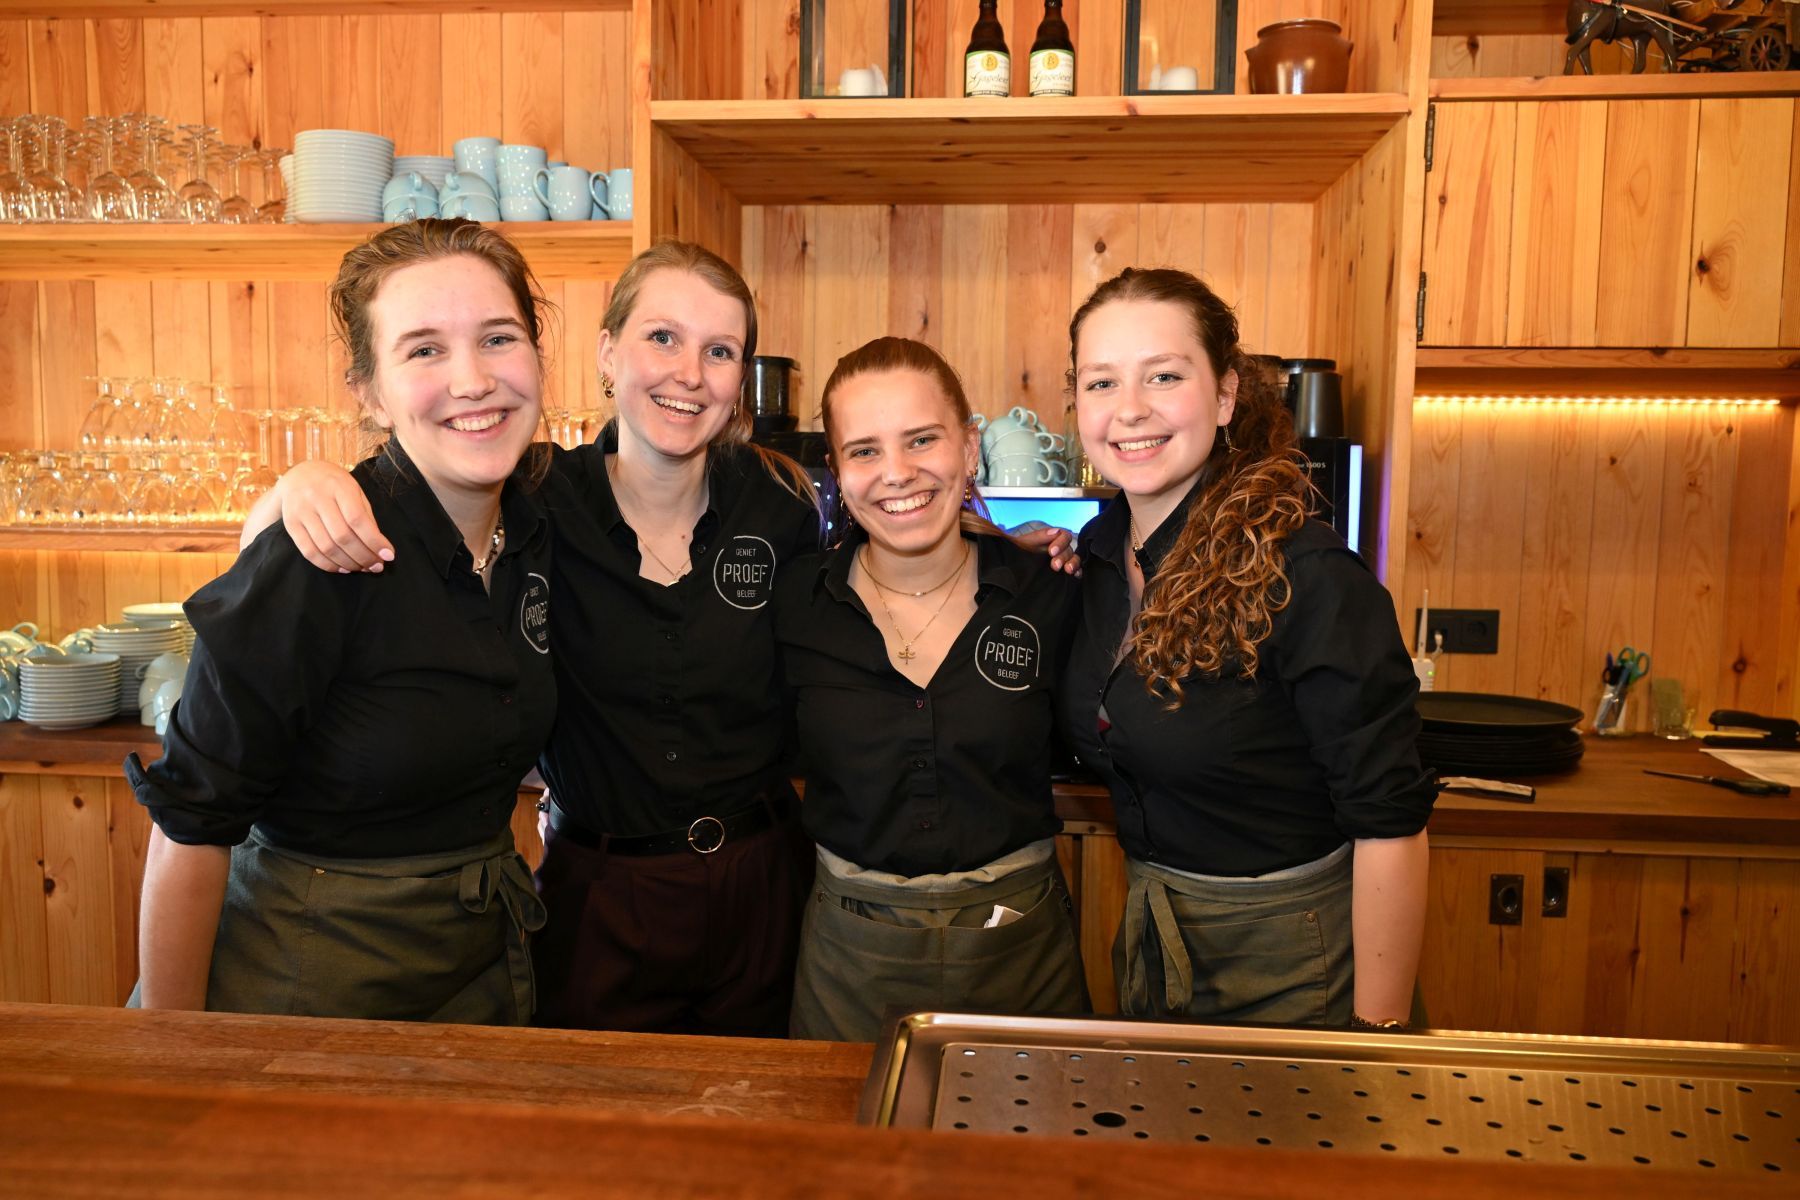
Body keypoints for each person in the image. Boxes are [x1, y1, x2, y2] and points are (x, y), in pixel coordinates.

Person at [253, 241, 823, 1036]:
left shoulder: (781, 507)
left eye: (719, 351)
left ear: (740, 381)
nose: (689, 373)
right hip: (600, 893)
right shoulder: (534, 495)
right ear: (607, 353)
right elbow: (400, 499)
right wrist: (300, 483)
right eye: (662, 337)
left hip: (762, 885)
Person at [128, 218, 557, 1021]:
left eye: (498, 339)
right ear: (368, 390)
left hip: (478, 971)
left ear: (537, 355)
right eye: (423, 350)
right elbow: (191, 822)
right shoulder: (316, 556)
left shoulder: (539, 520)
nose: (472, 380)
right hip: (300, 978)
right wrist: (173, 1054)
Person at [1058, 267, 1433, 1030]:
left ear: (1226, 395)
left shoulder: (1305, 573)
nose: (1129, 409)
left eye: (1164, 376)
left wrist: (1379, 1043)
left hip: (1303, 960)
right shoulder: (1094, 560)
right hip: (1160, 949)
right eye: (1101, 383)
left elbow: (1390, 823)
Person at [776, 337, 1089, 1042]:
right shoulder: (794, 603)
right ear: (837, 471)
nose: (897, 472)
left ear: (970, 447)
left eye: (922, 439)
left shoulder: (1048, 589)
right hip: (847, 961)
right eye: (865, 450)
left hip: (1023, 950)